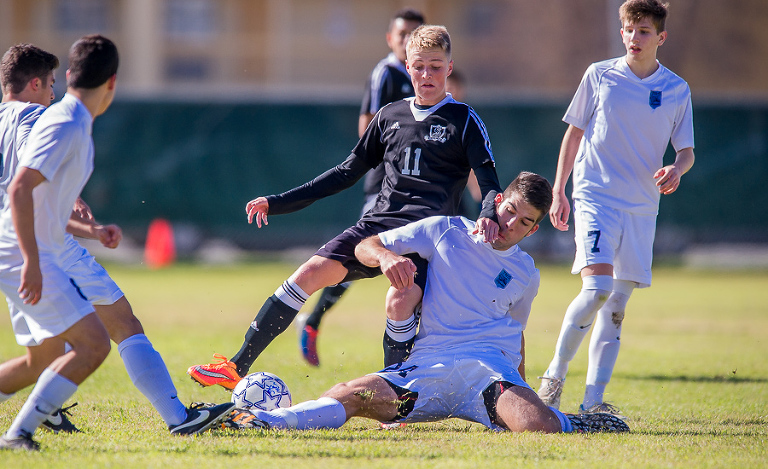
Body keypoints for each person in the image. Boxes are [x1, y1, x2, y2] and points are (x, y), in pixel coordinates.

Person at [188, 25, 505, 390]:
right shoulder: (389, 116)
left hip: (427, 235)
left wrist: (487, 217)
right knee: (307, 274)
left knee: (400, 301)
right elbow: (345, 173)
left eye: (435, 66)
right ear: (407, 67)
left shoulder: (464, 120)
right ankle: (235, 367)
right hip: (378, 226)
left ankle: (397, 396)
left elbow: (489, 183)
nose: (426, 75)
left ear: (449, 68)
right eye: (419, 66)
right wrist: (277, 202)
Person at [222, 172, 629, 434]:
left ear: (533, 228)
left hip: (486, 373)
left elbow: (515, 334)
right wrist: (387, 258)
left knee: (537, 425)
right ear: (498, 200)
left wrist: (521, 388)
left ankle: (582, 422)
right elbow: (368, 244)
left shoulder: (526, 272)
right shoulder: (446, 230)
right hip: (425, 372)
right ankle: (261, 420)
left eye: (523, 222)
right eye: (508, 211)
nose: (509, 226)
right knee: (352, 395)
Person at [0, 37, 233, 452]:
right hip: (32, 246)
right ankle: (21, 434)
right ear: (112, 83)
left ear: (71, 76)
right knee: (103, 337)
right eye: (48, 80)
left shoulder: (32, 117)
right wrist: (33, 259)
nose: (53, 88)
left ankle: (41, 413)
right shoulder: (51, 119)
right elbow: (22, 187)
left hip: (28, 240)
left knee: (42, 361)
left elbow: (28, 191)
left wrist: (90, 230)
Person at [536, 0, 695, 415]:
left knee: (618, 304)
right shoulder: (600, 74)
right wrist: (559, 189)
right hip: (596, 196)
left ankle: (593, 402)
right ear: (621, 32)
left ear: (660, 37)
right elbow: (573, 135)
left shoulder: (677, 88)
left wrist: (676, 169)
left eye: (644, 31)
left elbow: (686, 151)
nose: (634, 38)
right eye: (628, 29)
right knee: (597, 289)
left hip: (642, 207)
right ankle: (553, 378)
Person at [294, 8, 425, 367]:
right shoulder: (387, 73)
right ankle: (314, 319)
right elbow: (367, 128)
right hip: (385, 186)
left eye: (415, 35)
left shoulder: (424, 76)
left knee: (426, 267)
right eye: (403, 35)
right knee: (354, 257)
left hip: (420, 194)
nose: (407, 41)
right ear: (390, 39)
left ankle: (423, 351)